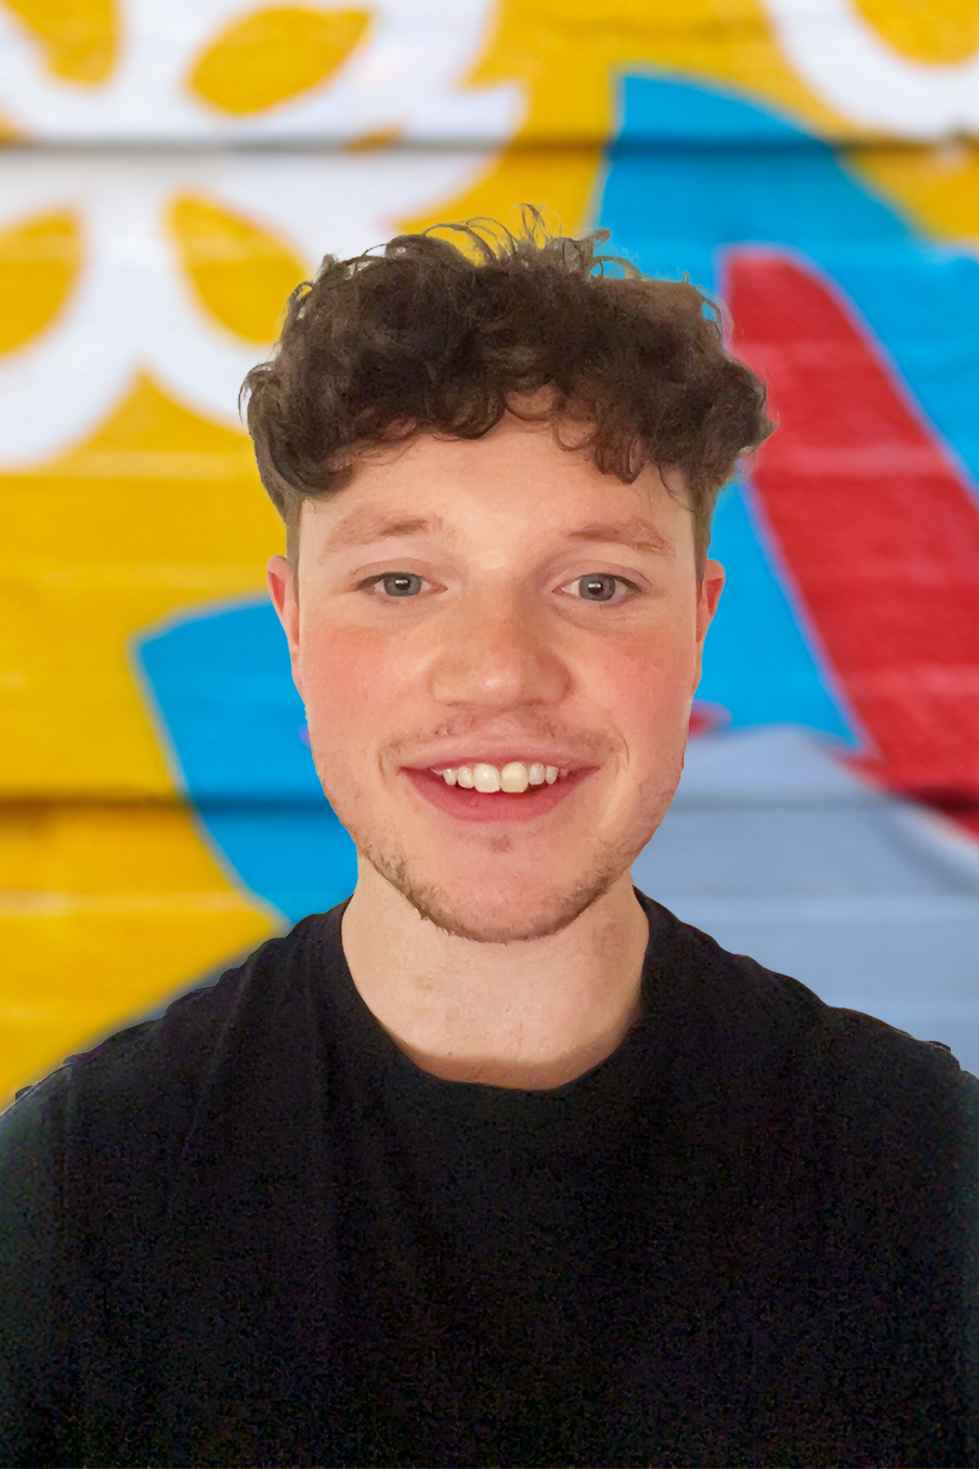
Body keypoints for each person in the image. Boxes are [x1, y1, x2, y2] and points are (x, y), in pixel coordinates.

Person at [1, 213, 976, 1469]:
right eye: (403, 582)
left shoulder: (925, 1186)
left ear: (697, 627)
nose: (501, 674)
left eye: (597, 584)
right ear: (294, 628)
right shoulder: (76, 1206)